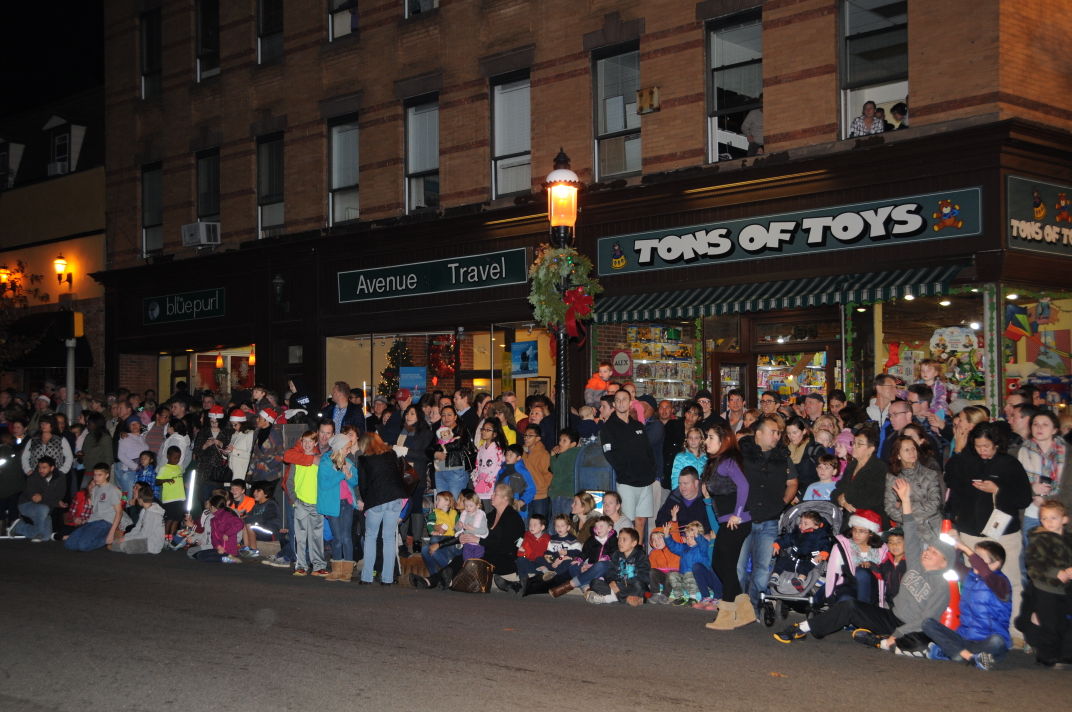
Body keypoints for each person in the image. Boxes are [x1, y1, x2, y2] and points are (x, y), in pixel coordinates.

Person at [775, 479, 951, 653]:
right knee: (850, 605)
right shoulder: (915, 564)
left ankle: (882, 642)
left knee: (921, 643)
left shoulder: (941, 587)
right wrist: (905, 500)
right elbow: (910, 530)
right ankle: (801, 628)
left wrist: (897, 634)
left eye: (934, 553)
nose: (927, 552)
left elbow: (927, 621)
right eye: (929, 550)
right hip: (891, 618)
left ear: (945, 562)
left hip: (911, 628)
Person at [945, 422, 1032, 645]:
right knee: (974, 581)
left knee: (1011, 580)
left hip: (1004, 534)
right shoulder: (966, 461)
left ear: (996, 444)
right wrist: (960, 450)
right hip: (971, 532)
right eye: (978, 446)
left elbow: (1024, 498)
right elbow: (952, 484)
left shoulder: (1009, 464)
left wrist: (998, 491)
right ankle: (975, 628)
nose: (983, 450)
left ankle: (1016, 631)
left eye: (987, 446)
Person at [736, 414, 797, 620]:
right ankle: (738, 607)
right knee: (738, 568)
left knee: (762, 570)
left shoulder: (783, 456)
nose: (777, 436)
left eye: (779, 433)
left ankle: (754, 609)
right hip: (743, 519)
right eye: (773, 432)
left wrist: (782, 503)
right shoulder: (741, 455)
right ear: (759, 433)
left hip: (769, 521)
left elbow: (792, 483)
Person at [922, 538, 1011, 670]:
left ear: (996, 563)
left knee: (997, 642)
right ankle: (970, 657)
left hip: (987, 641)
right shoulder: (970, 576)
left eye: (979, 557)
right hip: (965, 639)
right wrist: (955, 546)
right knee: (928, 624)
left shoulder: (1001, 583)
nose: (972, 559)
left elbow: (986, 573)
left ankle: (954, 654)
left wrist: (966, 549)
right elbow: (951, 563)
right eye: (975, 555)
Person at [601, 390, 657, 542]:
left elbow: (648, 451)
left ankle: (637, 556)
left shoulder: (638, 425)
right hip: (626, 482)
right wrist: (624, 470)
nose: (621, 403)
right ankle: (625, 557)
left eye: (624, 399)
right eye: (617, 400)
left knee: (641, 522)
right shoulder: (608, 427)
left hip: (645, 481)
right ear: (614, 404)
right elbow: (609, 453)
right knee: (626, 524)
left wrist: (652, 471)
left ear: (630, 402)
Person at [1021, 499, 1072, 666]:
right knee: (1049, 623)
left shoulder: (1068, 539)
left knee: (1064, 622)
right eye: (1044, 518)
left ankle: (1065, 654)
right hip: (1045, 588)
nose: (1048, 522)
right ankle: (1046, 656)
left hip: (1065, 589)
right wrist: (1057, 573)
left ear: (1064, 519)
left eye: (1053, 518)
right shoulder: (1039, 539)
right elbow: (1034, 564)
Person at [355, 431, 405, 584]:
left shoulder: (363, 459)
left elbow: (363, 484)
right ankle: (388, 578)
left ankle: (367, 577)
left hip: (376, 500)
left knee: (371, 537)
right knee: (389, 538)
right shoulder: (391, 454)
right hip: (395, 498)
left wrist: (365, 502)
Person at [1018, 411, 1066, 550]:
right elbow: (1013, 484)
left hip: (1059, 514)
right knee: (1034, 558)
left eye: (1045, 424)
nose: (1039, 428)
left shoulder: (1066, 453)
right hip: (1031, 513)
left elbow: (1068, 486)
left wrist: (1048, 501)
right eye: (1035, 424)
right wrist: (1032, 489)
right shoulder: (1020, 452)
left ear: (1055, 429)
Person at [317, 432, 359, 581]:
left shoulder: (348, 462)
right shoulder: (326, 462)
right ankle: (336, 570)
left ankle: (346, 571)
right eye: (347, 448)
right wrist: (342, 474)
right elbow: (325, 484)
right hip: (332, 504)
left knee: (346, 536)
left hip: (346, 503)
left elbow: (354, 482)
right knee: (337, 537)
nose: (349, 450)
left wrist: (350, 477)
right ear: (339, 448)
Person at [824, 509, 886, 604]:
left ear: (871, 533)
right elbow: (833, 572)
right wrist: (830, 596)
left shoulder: (882, 549)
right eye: (854, 530)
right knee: (845, 600)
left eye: (861, 531)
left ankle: (862, 612)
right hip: (849, 585)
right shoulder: (842, 546)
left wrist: (872, 566)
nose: (856, 534)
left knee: (862, 572)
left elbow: (887, 572)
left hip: (872, 589)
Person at [289, 430, 329, 577]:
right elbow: (289, 481)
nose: (306, 444)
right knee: (300, 537)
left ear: (315, 443)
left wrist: (322, 502)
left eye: (310, 442)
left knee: (317, 537)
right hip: (301, 502)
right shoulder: (297, 459)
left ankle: (318, 566)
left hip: (316, 504)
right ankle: (300, 565)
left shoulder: (320, 460)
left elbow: (324, 482)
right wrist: (295, 500)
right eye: (304, 441)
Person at [63, 464, 129, 551]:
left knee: (83, 546)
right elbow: (93, 509)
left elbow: (119, 512)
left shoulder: (113, 490)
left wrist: (111, 533)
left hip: (105, 522)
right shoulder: (95, 489)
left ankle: (110, 538)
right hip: (92, 521)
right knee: (69, 544)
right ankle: (99, 536)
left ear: (107, 475)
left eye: (99, 475)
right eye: (94, 475)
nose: (96, 478)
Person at [549, 515, 618, 598]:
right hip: (589, 567)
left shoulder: (614, 540)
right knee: (573, 565)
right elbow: (584, 553)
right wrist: (579, 560)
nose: (598, 529)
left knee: (601, 564)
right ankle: (586, 589)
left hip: (604, 568)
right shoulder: (592, 539)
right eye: (596, 526)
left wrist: (591, 566)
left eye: (601, 526)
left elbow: (613, 554)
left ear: (609, 528)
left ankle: (570, 584)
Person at [884, 435, 942, 531]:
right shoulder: (892, 478)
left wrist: (903, 506)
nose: (912, 452)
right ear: (898, 455)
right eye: (907, 450)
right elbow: (890, 509)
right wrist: (910, 520)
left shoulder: (930, 474)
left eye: (913, 449)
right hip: (906, 529)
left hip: (931, 527)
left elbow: (934, 504)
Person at [769, 510, 833, 595]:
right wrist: (778, 544)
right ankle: (775, 577)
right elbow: (786, 539)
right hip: (793, 559)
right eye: (801, 522)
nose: (801, 525)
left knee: (805, 568)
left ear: (816, 526)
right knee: (782, 561)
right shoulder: (796, 534)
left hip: (809, 560)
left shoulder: (820, 537)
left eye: (805, 524)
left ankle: (800, 580)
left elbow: (826, 545)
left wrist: (823, 554)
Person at [832, 425, 888, 521]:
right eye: (854, 442)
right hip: (850, 516)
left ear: (871, 449)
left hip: (871, 518)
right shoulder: (852, 465)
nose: (854, 446)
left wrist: (844, 497)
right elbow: (837, 490)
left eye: (859, 444)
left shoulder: (879, 467)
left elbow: (870, 498)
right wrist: (840, 500)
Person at [663, 512, 719, 609]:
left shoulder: (702, 547)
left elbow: (703, 543)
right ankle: (680, 597)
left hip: (696, 580)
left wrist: (697, 536)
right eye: (687, 537)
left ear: (699, 536)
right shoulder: (684, 548)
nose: (689, 539)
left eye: (692, 537)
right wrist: (667, 535)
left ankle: (693, 598)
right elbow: (673, 546)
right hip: (684, 577)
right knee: (672, 574)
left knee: (689, 574)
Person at [586, 526, 650, 606]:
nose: (620, 542)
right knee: (594, 582)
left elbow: (645, 576)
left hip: (633, 585)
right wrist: (612, 582)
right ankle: (628, 598)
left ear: (634, 543)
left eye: (624, 540)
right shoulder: (616, 554)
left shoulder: (640, 555)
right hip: (619, 586)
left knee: (639, 586)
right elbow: (610, 572)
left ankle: (609, 598)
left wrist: (621, 584)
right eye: (619, 539)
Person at [428, 405, 475, 499]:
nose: (446, 418)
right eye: (443, 415)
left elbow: (456, 444)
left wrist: (438, 448)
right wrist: (435, 453)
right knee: (441, 502)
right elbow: (428, 449)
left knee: (454, 501)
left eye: (449, 415)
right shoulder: (439, 431)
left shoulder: (461, 429)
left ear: (455, 416)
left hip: (456, 468)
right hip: (439, 469)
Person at [110, 487, 167, 554]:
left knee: (121, 545)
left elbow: (144, 535)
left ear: (140, 499)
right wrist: (125, 537)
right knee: (116, 542)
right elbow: (137, 528)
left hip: (152, 545)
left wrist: (125, 539)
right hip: (145, 539)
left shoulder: (152, 514)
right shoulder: (144, 510)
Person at [473, 419, 507, 509]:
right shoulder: (481, 448)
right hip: (480, 485)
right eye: (483, 429)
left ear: (495, 434)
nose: (484, 432)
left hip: (491, 487)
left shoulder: (498, 450)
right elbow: (477, 466)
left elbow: (499, 467)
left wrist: (488, 479)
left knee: (490, 512)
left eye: (488, 430)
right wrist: (475, 479)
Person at [784, 417, 825, 492]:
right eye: (788, 433)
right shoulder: (785, 449)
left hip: (810, 493)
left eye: (795, 432)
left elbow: (824, 476)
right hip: (789, 493)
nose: (791, 436)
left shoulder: (815, 449)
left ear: (804, 431)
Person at [549, 428, 581, 520]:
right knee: (566, 522)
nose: (560, 443)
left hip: (560, 494)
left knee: (558, 522)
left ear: (573, 444)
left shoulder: (565, 455)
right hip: (571, 494)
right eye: (560, 440)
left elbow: (555, 470)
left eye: (564, 441)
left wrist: (552, 456)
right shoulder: (579, 454)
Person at [155, 446, 186, 537]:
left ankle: (171, 538)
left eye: (179, 458)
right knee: (169, 519)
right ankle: (164, 538)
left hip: (180, 497)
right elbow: (157, 482)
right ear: (168, 456)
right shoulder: (164, 468)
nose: (177, 459)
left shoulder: (179, 468)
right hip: (170, 499)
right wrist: (166, 480)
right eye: (175, 457)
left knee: (177, 519)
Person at [497, 444, 536, 514]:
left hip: (518, 510)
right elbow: (497, 487)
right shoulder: (502, 470)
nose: (507, 457)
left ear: (518, 458)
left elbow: (532, 489)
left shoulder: (523, 472)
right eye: (506, 454)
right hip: (502, 507)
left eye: (511, 455)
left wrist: (521, 502)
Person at [248, 409, 284, 483]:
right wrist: (250, 472)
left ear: (267, 420)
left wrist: (267, 466)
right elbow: (254, 454)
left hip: (271, 475)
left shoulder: (275, 433)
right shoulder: (257, 432)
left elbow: (281, 455)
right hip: (257, 474)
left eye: (260, 418)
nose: (257, 420)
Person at [671, 427, 706, 491]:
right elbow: (675, 477)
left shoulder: (706, 458)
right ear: (686, 439)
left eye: (696, 438)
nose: (693, 440)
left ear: (701, 440)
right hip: (686, 492)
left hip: (701, 493)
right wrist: (677, 494)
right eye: (690, 438)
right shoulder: (680, 457)